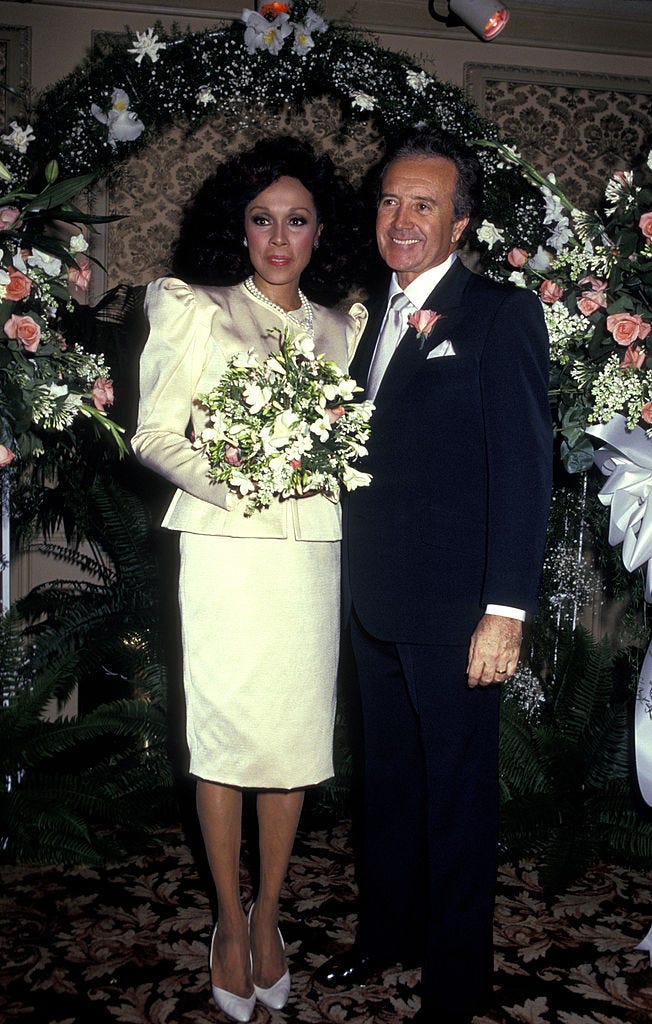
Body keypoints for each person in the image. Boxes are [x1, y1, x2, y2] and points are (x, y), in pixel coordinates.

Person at [315, 127, 552, 1023]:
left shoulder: (500, 314)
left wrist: (506, 608)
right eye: (389, 201)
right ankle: (386, 937)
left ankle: (456, 988)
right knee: (389, 787)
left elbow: (525, 468)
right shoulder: (367, 316)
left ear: (460, 224)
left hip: (458, 610)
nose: (402, 219)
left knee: (455, 800)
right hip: (374, 601)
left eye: (424, 205)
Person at [132, 136, 367, 1023]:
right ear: (240, 228)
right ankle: (228, 924)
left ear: (319, 233)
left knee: (293, 741)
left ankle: (271, 913)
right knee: (228, 737)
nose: (279, 238)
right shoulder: (198, 308)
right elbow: (154, 436)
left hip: (310, 553)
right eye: (263, 220)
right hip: (227, 548)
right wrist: (238, 480)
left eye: (297, 221)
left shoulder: (345, 327)